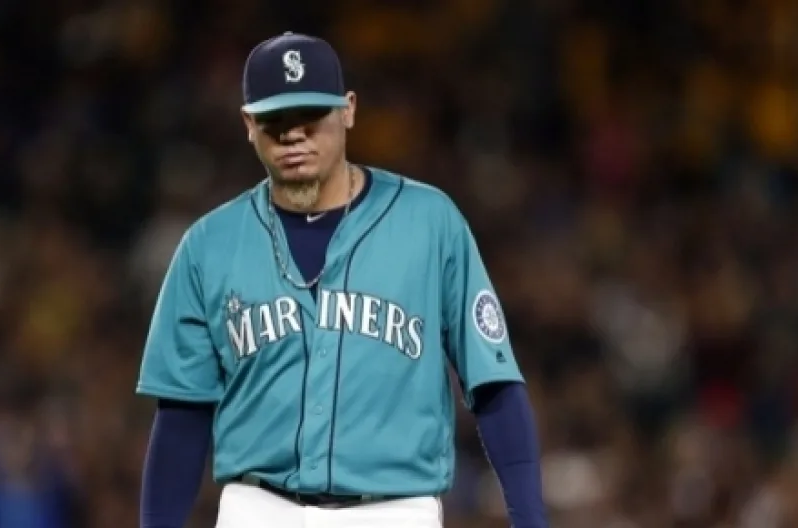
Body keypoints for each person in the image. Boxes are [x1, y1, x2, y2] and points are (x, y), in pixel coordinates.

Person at [136, 31, 548, 528]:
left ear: (348, 110)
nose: (294, 135)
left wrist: (530, 520)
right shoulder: (209, 244)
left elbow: (494, 386)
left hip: (393, 510)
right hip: (257, 509)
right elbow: (182, 414)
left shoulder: (430, 223)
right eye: (275, 120)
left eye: (311, 116)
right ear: (248, 124)